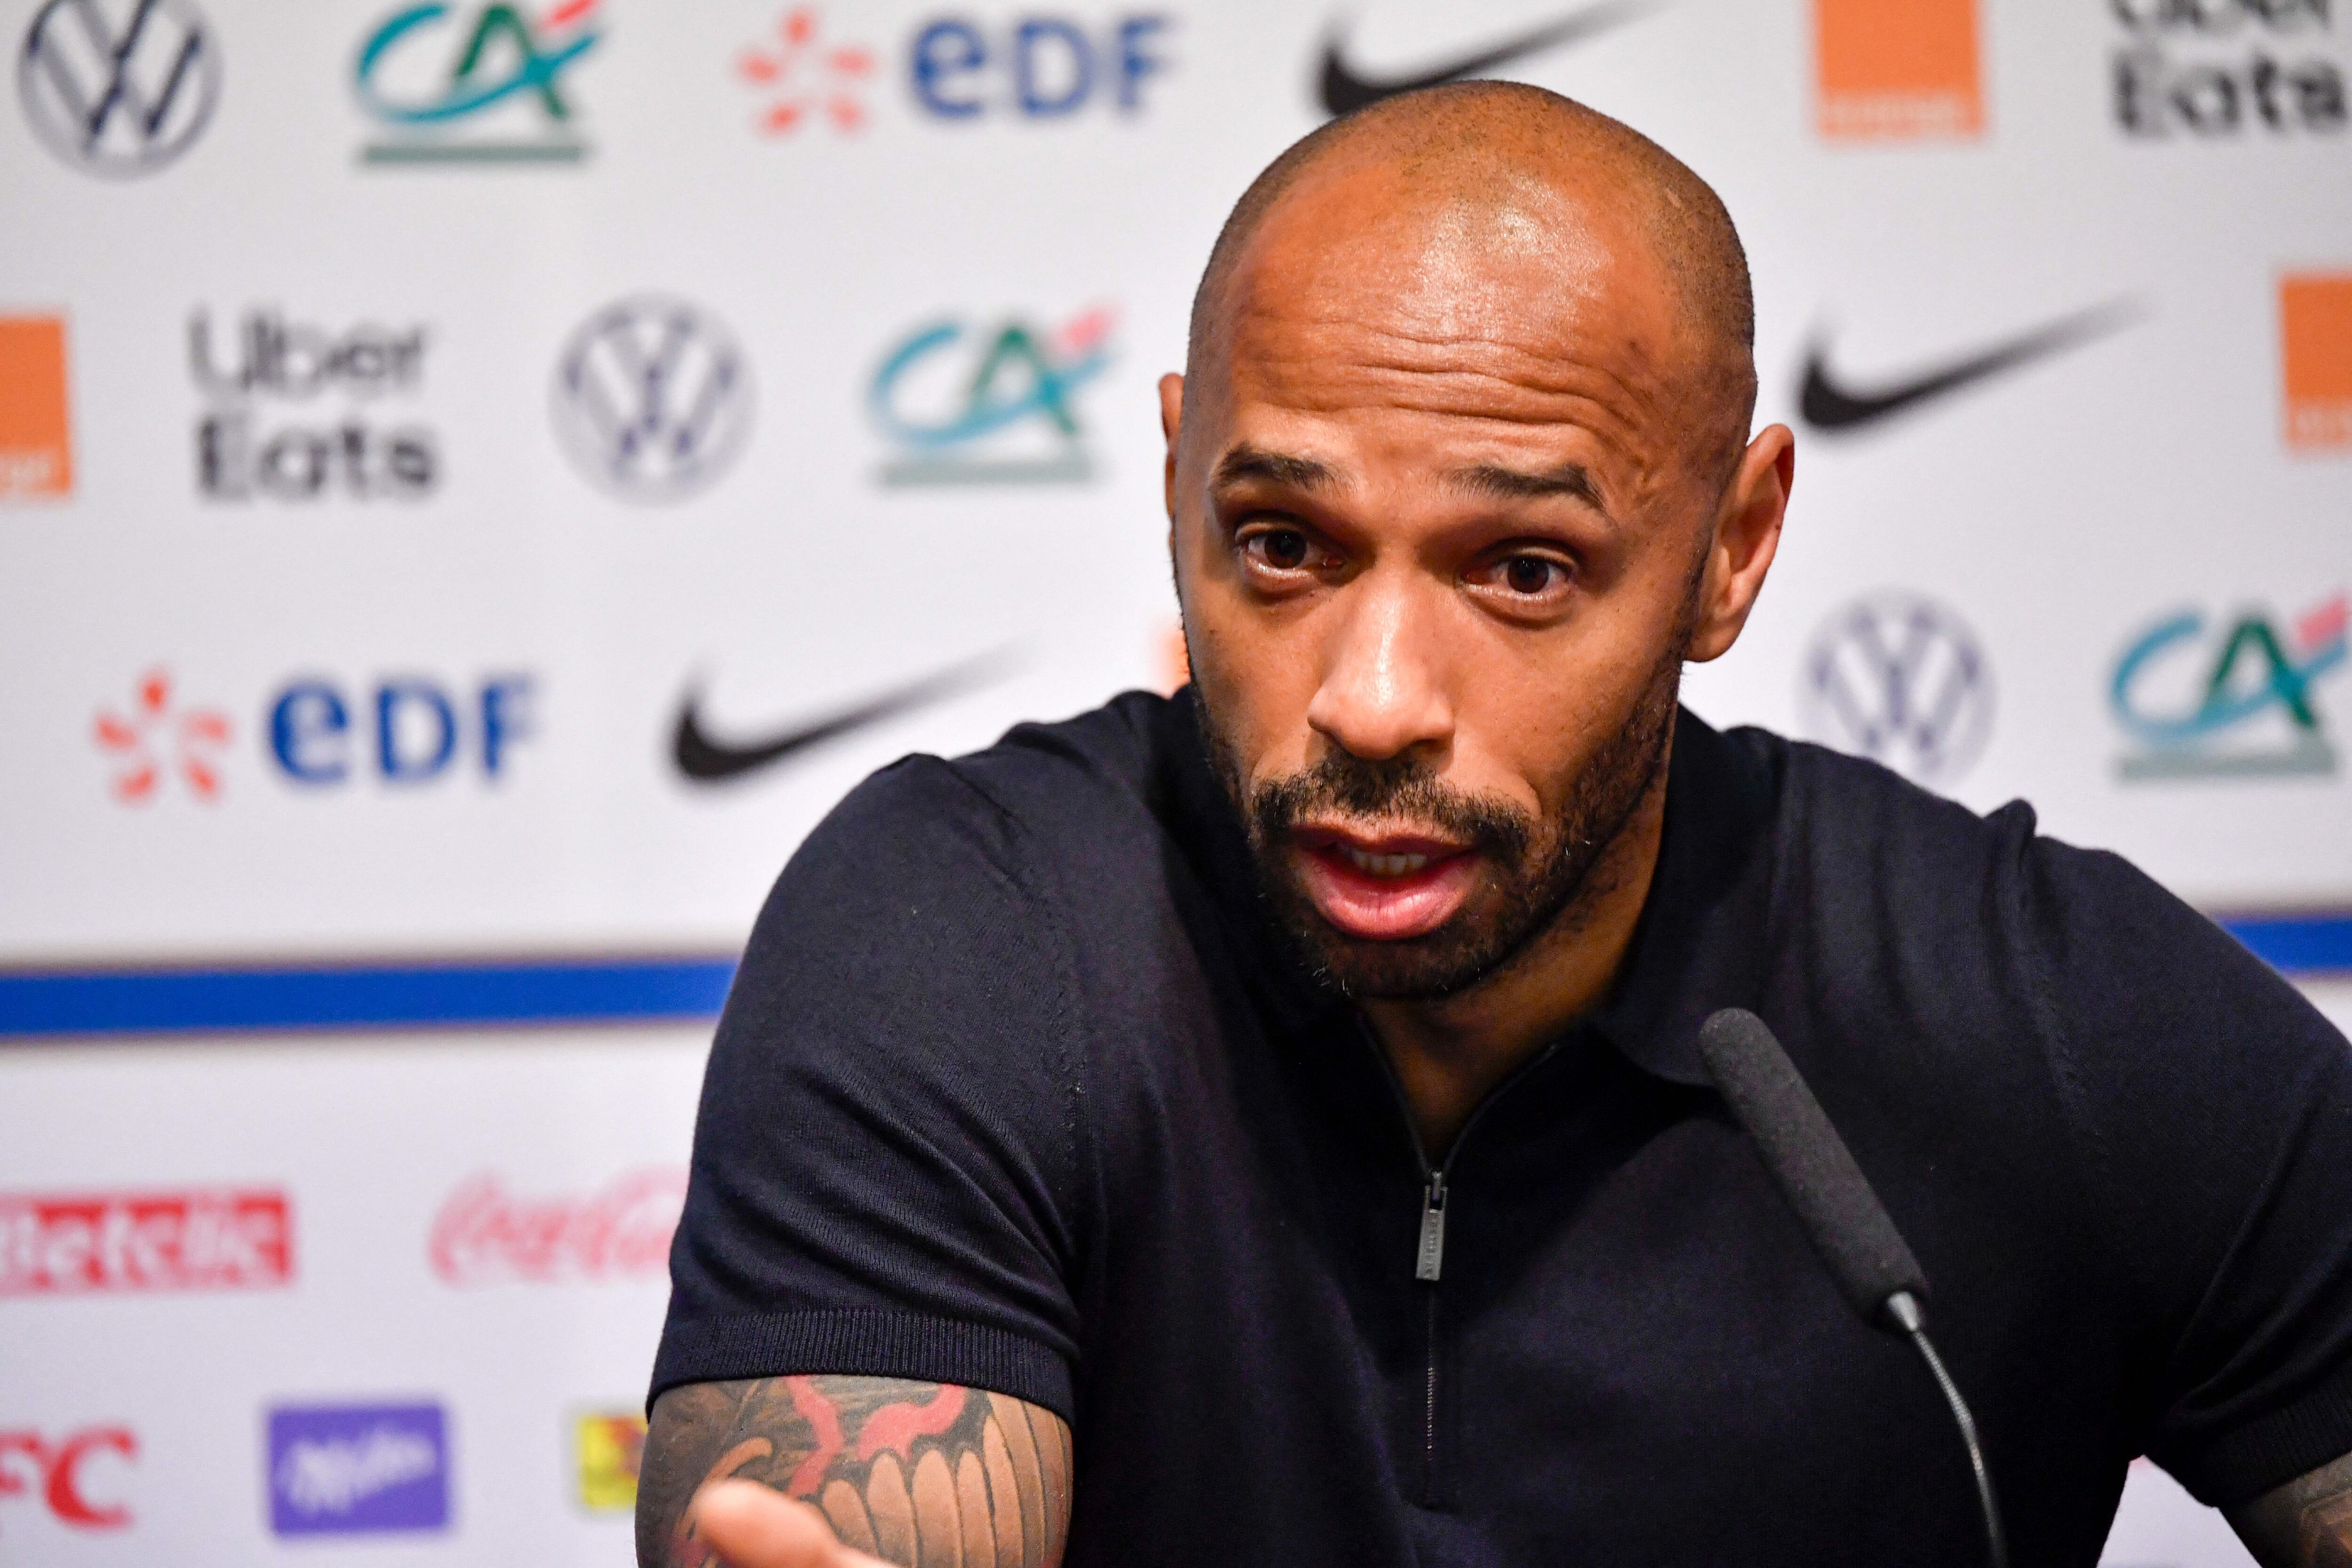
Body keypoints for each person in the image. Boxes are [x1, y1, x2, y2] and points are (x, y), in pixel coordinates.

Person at [635, 83, 2352, 1568]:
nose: (1373, 701)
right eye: (1286, 547)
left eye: (1524, 570)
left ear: (1735, 549)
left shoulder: (2033, 1005)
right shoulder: (960, 933)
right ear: (1178, 481)